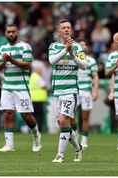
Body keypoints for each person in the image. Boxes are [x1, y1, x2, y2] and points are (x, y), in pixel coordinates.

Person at [0, 24, 41, 152]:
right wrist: (4, 61)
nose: (11, 34)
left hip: (21, 86)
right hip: (7, 85)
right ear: (5, 33)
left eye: (13, 32)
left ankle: (36, 134)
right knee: (8, 113)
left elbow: (26, 65)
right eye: (8, 32)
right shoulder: (3, 48)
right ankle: (9, 145)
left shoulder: (25, 46)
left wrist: (11, 59)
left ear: (18, 32)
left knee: (25, 114)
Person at [49, 19, 87, 163]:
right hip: (57, 91)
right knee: (62, 123)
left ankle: (60, 155)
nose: (66, 30)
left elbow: (84, 66)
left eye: (68, 27)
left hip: (70, 91)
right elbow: (52, 61)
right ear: (59, 31)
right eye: (63, 28)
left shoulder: (77, 47)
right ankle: (78, 148)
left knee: (65, 120)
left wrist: (72, 55)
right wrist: (65, 50)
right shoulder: (53, 46)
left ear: (71, 30)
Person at [77, 38, 99, 148]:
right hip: (74, 91)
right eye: (80, 44)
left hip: (86, 91)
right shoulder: (73, 59)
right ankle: (74, 137)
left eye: (84, 44)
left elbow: (95, 76)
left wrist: (95, 91)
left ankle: (84, 140)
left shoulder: (91, 60)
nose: (83, 46)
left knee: (85, 117)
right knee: (70, 116)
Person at [29, 60, 48, 133]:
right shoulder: (36, 76)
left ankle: (32, 129)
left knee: (34, 115)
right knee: (39, 115)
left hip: (33, 98)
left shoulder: (32, 76)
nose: (41, 71)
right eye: (40, 70)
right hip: (38, 99)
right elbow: (44, 86)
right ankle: (38, 129)